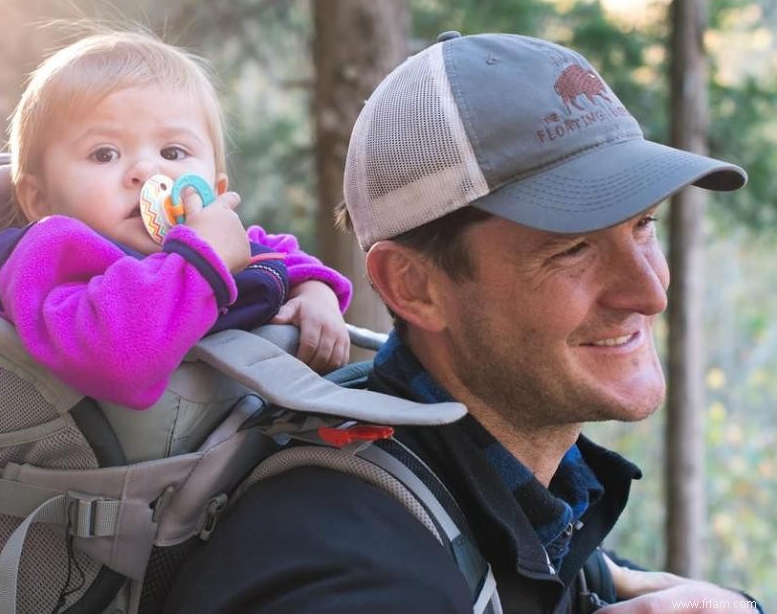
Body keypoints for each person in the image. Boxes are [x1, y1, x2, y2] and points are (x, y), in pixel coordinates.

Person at [163, 32, 762, 611]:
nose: (649, 290)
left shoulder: (527, 510)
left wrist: (735, 606)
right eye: (573, 248)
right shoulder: (344, 570)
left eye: (643, 224)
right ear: (414, 287)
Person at [0, 29, 352, 409]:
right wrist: (200, 260)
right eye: (105, 154)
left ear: (214, 188)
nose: (147, 172)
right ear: (40, 200)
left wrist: (314, 292)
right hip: (59, 458)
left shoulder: (213, 239)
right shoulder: (48, 255)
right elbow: (117, 357)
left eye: (173, 153)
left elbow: (277, 255)